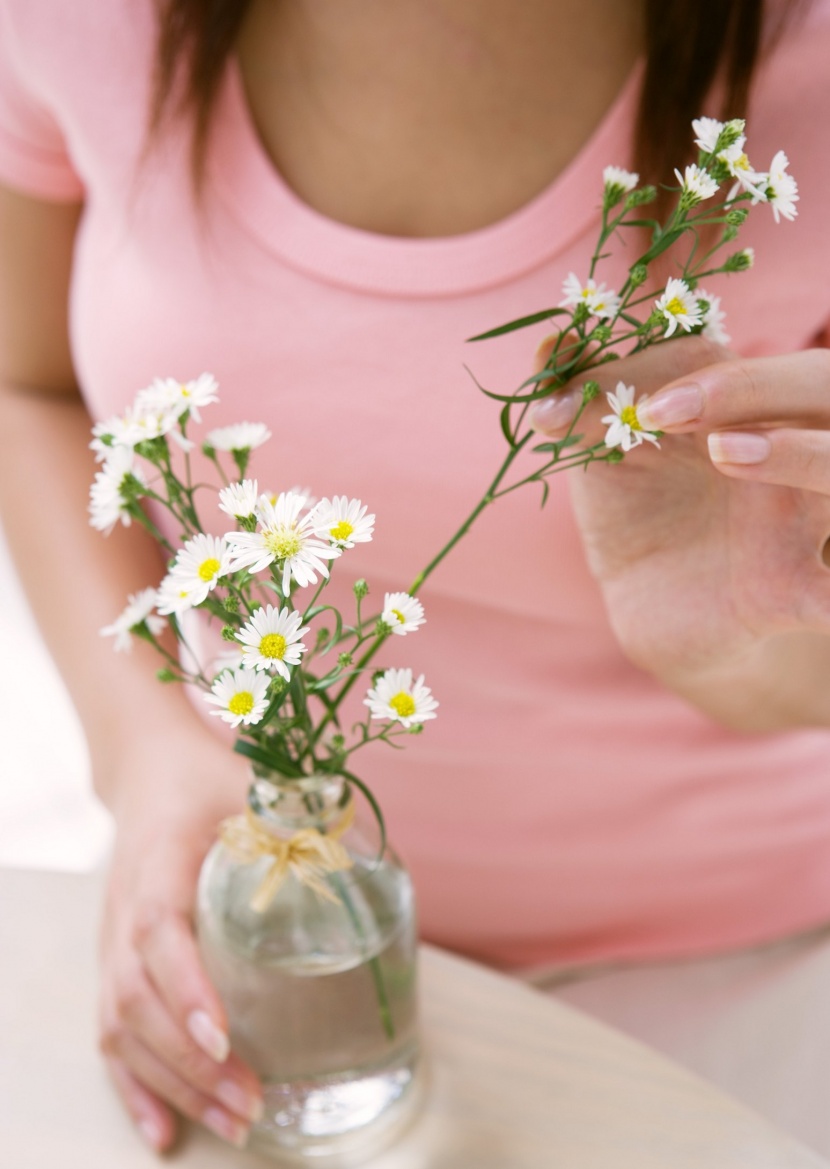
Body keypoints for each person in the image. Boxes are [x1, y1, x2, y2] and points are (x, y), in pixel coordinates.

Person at [2, 0, 830, 1155]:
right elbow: (26, 383)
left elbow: (800, 657)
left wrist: (732, 636)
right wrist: (143, 749)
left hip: (745, 967)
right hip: (263, 925)